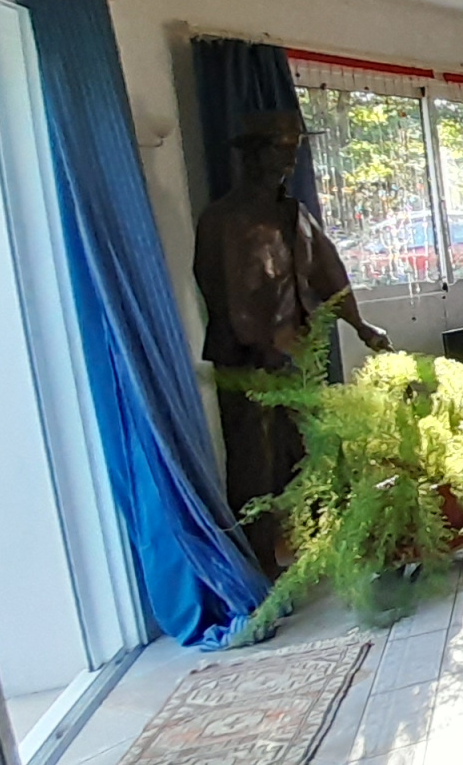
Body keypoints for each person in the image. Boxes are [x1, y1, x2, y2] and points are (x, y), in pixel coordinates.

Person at [194, 110, 389, 577]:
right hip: (249, 365)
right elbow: (222, 292)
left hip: (297, 356)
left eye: (294, 148)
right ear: (253, 154)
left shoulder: (295, 214)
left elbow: (329, 274)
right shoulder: (222, 219)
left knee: (313, 454)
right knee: (256, 467)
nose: (290, 158)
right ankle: (261, 565)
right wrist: (259, 346)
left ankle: (324, 547)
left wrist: (360, 324)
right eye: (280, 148)